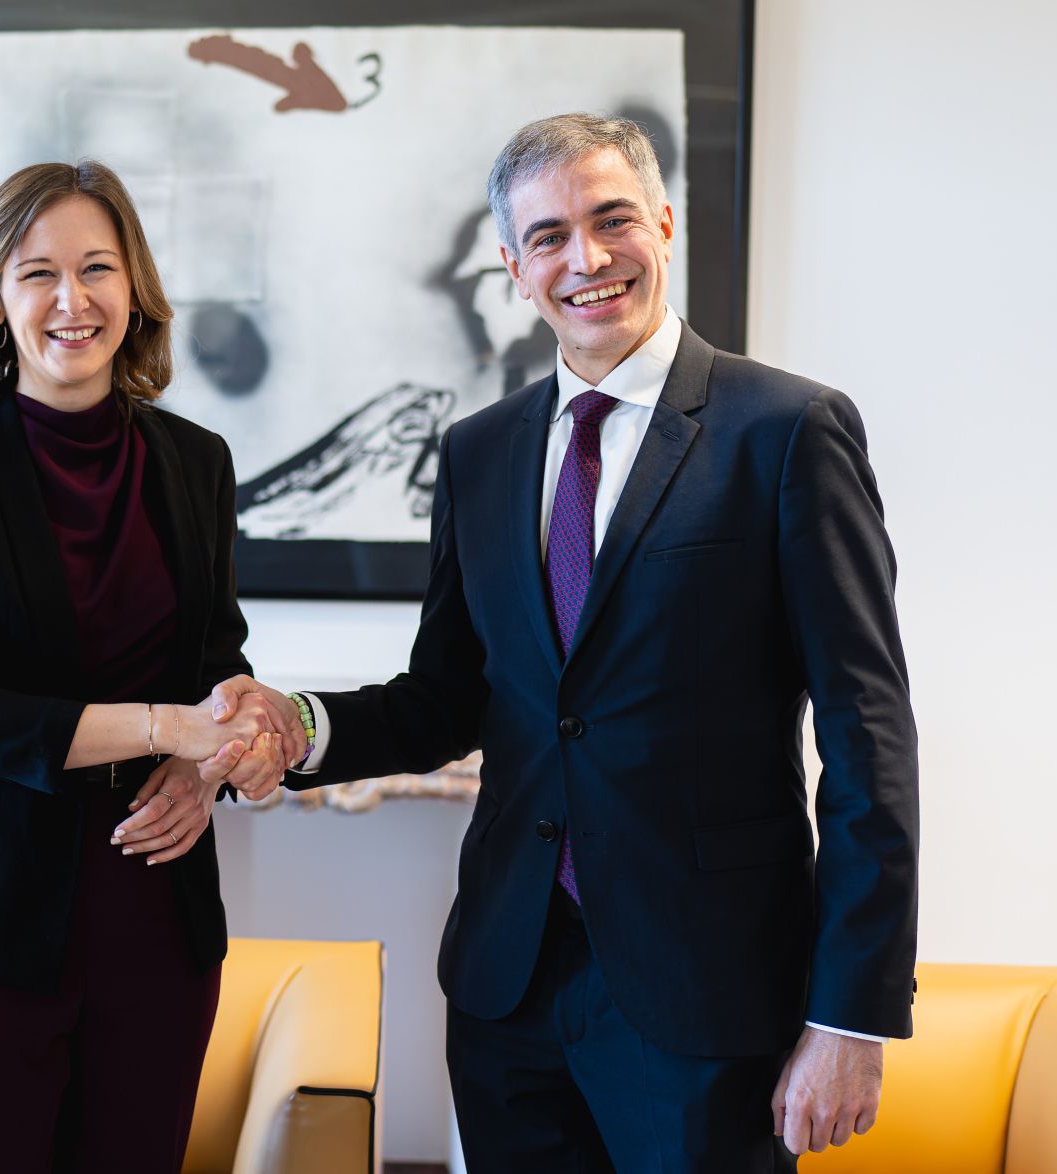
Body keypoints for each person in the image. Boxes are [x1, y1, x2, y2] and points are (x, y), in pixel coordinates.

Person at [197, 113, 920, 1171]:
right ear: (511, 266)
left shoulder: (785, 431)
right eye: (546, 236)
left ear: (662, 226)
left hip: (709, 996)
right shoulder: (479, 453)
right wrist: (297, 723)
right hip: (508, 987)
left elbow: (869, 733)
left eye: (610, 219)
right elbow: (445, 697)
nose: (583, 258)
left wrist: (849, 1017)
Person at [0, 160, 299, 1174]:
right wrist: (161, 729)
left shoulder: (195, 460)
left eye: (97, 267)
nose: (71, 299)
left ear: (134, 287)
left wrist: (200, 765)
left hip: (152, 911)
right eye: (37, 272)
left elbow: (213, 664)